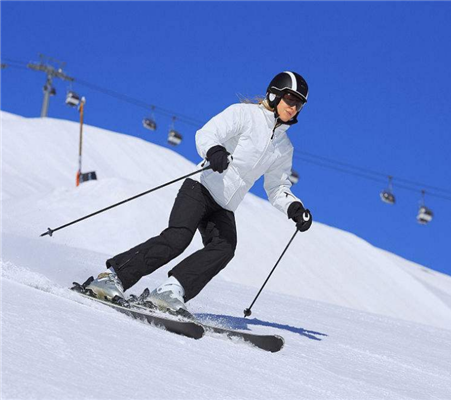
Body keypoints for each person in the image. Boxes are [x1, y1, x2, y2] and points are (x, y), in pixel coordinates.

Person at [85, 71, 313, 317]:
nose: (294, 106)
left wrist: (294, 208)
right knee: (177, 238)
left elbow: (277, 187)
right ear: (275, 94)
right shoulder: (244, 115)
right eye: (290, 98)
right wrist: (214, 151)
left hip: (224, 205)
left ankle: (170, 291)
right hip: (200, 187)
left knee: (224, 248)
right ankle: (112, 277)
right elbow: (206, 134)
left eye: (299, 103)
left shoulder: (284, 148)